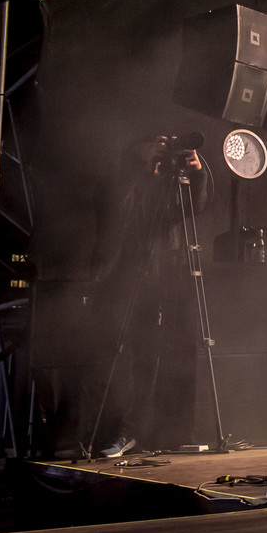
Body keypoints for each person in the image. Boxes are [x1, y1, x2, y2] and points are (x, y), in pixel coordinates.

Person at [92, 136, 211, 457]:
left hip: (168, 278)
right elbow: (121, 214)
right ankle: (124, 430)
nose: (162, 153)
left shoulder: (169, 185)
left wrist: (198, 173)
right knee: (131, 360)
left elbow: (191, 209)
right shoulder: (119, 183)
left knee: (170, 357)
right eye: (155, 145)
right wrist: (144, 172)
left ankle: (168, 432)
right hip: (129, 279)